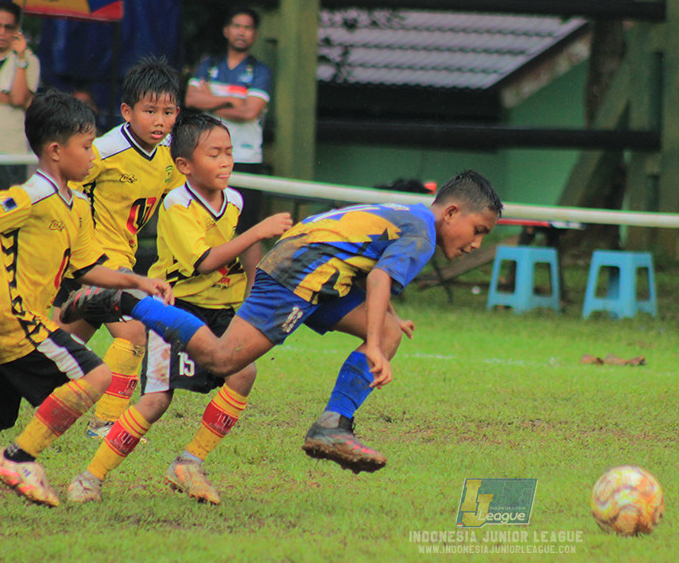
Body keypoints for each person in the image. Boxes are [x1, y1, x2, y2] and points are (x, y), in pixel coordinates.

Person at [61, 170, 503, 473]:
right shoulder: (424, 233)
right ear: (451, 214)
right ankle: (124, 300)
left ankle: (334, 425)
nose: (476, 242)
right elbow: (382, 274)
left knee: (388, 334)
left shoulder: (413, 217)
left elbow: (367, 262)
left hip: (317, 269)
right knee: (221, 360)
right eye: (479, 230)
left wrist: (388, 321)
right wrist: (370, 342)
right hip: (300, 272)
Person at [67, 113, 292, 505]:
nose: (225, 162)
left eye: (229, 153)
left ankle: (189, 462)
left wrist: (256, 282)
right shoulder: (178, 203)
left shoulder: (234, 201)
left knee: (244, 373)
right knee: (156, 401)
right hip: (177, 311)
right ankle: (90, 477)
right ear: (184, 165)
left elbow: (241, 250)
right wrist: (257, 232)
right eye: (214, 154)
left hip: (219, 311)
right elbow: (204, 260)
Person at [0, 90, 171, 507]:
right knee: (95, 376)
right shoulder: (31, 197)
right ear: (56, 151)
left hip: (20, 322)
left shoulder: (74, 206)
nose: (95, 155)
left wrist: (140, 282)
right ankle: (20, 458)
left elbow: (88, 267)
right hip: (15, 320)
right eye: (87, 146)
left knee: (0, 415)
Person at [53, 56, 184, 438]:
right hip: (91, 257)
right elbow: (65, 188)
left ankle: (26, 388)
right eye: (150, 111)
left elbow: (181, 202)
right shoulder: (104, 151)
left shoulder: (168, 155)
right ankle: (106, 422)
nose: (160, 120)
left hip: (122, 257)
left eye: (169, 111)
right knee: (133, 335)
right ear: (127, 111)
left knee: (60, 344)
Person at [184, 8, 273, 286]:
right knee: (203, 219)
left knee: (246, 229)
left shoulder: (259, 71)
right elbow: (190, 99)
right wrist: (231, 102)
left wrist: (212, 98)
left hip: (244, 157)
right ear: (226, 30)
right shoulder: (209, 64)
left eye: (247, 27)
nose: (241, 31)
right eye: (236, 25)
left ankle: (256, 291)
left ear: (254, 34)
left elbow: (250, 112)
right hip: (205, 157)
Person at [0, 0, 40, 191]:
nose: (2, 32)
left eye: (9, 27)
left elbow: (19, 98)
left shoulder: (29, 60)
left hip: (10, 150)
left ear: (17, 30)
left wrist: (20, 58)